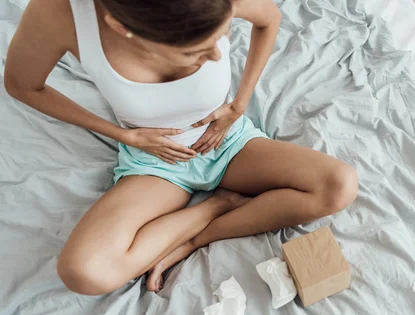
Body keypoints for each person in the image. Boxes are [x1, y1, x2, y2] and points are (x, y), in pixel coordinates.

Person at [4, 0, 358, 295]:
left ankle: (199, 235)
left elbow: (270, 18)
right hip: (154, 164)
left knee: (338, 185)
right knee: (84, 272)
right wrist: (123, 135)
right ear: (124, 29)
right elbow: (23, 85)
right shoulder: (61, 13)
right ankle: (218, 204)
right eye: (196, 53)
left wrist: (238, 104)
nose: (218, 57)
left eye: (221, 38)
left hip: (228, 141)